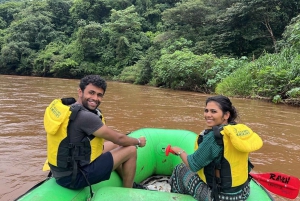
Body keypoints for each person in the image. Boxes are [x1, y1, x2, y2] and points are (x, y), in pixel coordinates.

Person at [44, 74, 146, 191]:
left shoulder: (70, 109)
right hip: (74, 178)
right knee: (131, 149)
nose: (95, 98)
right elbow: (119, 138)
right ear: (80, 92)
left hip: (63, 170)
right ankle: (128, 192)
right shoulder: (85, 117)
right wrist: (138, 141)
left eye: (99, 95)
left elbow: (117, 142)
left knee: (117, 146)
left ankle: (127, 180)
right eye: (91, 93)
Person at [167, 95, 263, 201]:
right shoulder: (236, 133)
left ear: (226, 115)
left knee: (180, 169)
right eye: (206, 111)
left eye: (213, 111)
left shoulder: (214, 137)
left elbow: (193, 165)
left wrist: (179, 151)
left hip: (219, 197)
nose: (208, 115)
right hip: (243, 193)